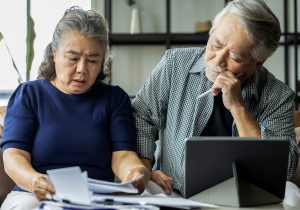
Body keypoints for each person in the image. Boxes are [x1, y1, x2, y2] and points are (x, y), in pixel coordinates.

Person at [132, 0, 299, 196]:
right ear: (211, 31)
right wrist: (145, 169)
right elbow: (141, 114)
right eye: (216, 44)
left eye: (235, 57)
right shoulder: (174, 65)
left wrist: (238, 107)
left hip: (243, 200)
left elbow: (282, 170)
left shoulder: (278, 96)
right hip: (172, 192)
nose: (218, 60)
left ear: (258, 63)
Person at [0, 7, 150, 210]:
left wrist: (134, 172)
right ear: (54, 54)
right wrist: (34, 180)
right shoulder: (29, 94)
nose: (82, 69)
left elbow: (123, 156)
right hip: (33, 194)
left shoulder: (114, 98)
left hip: (97, 197)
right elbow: (14, 156)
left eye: (93, 60)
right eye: (73, 58)